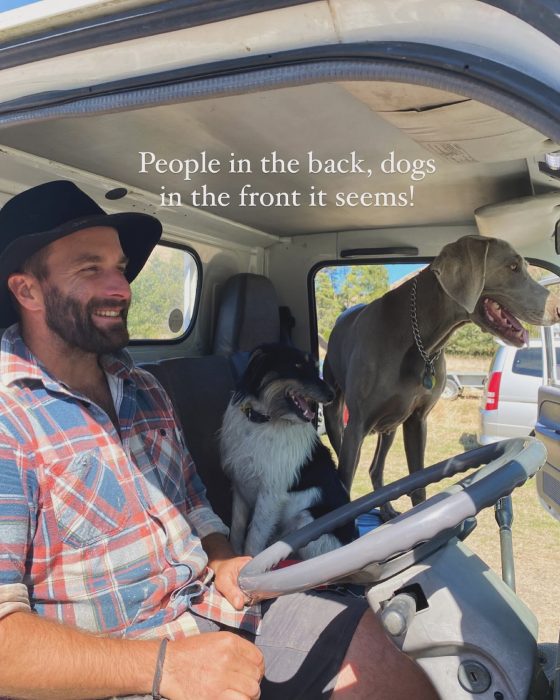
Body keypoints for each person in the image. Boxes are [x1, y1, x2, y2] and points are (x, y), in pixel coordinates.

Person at [0, 181, 438, 700]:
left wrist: (225, 557)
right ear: (27, 291)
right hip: (116, 670)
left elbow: (194, 506)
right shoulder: (12, 420)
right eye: (90, 269)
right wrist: (162, 667)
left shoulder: (143, 390)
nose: (120, 287)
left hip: (211, 610)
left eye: (119, 267)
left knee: (384, 666)